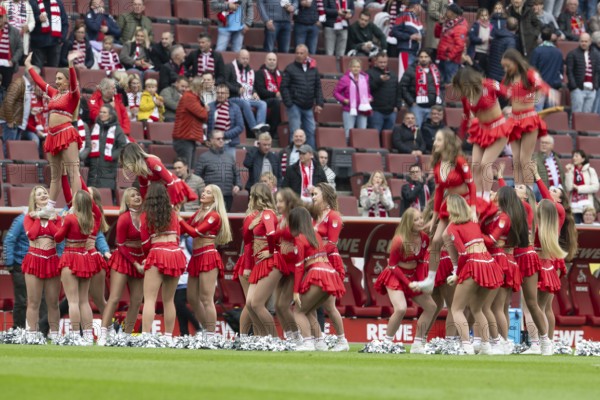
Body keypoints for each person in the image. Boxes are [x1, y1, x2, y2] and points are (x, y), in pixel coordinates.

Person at [409, 128, 477, 294]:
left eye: (438, 140)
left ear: (447, 142)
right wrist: (435, 217)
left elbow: (472, 185)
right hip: (449, 205)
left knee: (448, 235)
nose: (434, 143)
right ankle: (430, 280)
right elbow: (439, 192)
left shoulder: (460, 161)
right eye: (435, 140)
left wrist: (473, 209)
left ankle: (456, 269)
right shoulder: (438, 164)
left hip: (464, 205)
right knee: (436, 241)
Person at [443, 194, 504, 355]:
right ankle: (486, 346)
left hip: (473, 265)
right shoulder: (474, 222)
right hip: (489, 265)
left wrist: (457, 274)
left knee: (457, 309)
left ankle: (466, 345)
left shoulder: (452, 228)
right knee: (478, 309)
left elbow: (463, 254)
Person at [25, 51, 83, 217]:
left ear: (66, 80)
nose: (56, 82)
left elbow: (74, 82)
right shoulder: (54, 94)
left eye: (59, 79)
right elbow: (41, 82)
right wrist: (29, 66)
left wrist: (71, 65)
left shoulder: (73, 95)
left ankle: (76, 206)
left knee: (73, 170)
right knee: (55, 174)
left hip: (66, 132)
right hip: (52, 135)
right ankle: (50, 206)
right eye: (56, 79)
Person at [373, 208, 436, 352]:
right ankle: (387, 342)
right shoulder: (399, 240)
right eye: (416, 219)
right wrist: (408, 284)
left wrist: (420, 282)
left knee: (431, 307)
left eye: (421, 218)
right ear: (408, 222)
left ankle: (418, 343)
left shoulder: (425, 238)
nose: (420, 221)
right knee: (401, 308)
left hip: (413, 276)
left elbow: (420, 261)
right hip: (396, 276)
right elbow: (393, 265)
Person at [481, 185, 530, 354]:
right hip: (509, 260)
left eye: (497, 194)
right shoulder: (514, 214)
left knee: (494, 307)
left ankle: (502, 341)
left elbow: (493, 240)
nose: (493, 194)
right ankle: (503, 341)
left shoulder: (504, 217)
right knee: (501, 307)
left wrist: (472, 235)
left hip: (500, 260)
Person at [179, 184, 232, 337]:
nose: (203, 194)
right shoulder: (199, 212)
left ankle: (211, 334)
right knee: (191, 297)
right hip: (196, 256)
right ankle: (205, 329)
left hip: (207, 255)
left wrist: (179, 219)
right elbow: (184, 229)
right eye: (204, 191)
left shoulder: (214, 215)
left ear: (214, 198)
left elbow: (195, 233)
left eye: (208, 193)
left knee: (206, 299)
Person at [291, 206, 345, 351]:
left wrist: (296, 291)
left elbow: (299, 267)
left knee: (298, 310)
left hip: (318, 273)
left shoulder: (299, 239)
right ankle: (321, 342)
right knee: (309, 310)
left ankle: (308, 342)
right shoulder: (316, 235)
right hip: (331, 274)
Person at [454, 67, 512, 200]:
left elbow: (508, 92)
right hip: (481, 130)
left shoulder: (489, 84)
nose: (462, 91)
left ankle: (486, 197)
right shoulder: (466, 96)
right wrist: (459, 137)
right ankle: (477, 197)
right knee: (475, 166)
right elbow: (466, 117)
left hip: (498, 129)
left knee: (486, 164)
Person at [501, 48, 555, 188]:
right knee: (517, 160)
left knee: (525, 159)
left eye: (508, 65)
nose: (506, 69)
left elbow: (541, 85)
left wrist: (550, 92)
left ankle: (529, 193)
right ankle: (519, 192)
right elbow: (499, 91)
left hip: (528, 119)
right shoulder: (508, 78)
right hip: (514, 120)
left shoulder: (529, 73)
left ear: (515, 62)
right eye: (504, 66)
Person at [97, 187, 145, 345]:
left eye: (138, 194)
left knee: (137, 300)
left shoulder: (146, 217)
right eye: (132, 195)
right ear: (126, 200)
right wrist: (135, 263)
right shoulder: (124, 218)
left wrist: (145, 260)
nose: (137, 197)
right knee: (115, 298)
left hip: (139, 259)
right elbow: (121, 245)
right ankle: (103, 334)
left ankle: (126, 335)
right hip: (124, 259)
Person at [140, 183, 186, 340]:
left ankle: (146, 335)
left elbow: (145, 243)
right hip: (175, 253)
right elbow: (178, 236)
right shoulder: (173, 213)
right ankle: (168, 336)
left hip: (157, 252)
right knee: (169, 300)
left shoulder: (146, 215)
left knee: (150, 299)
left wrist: (149, 254)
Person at [53, 189, 98, 344]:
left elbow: (58, 238)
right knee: (84, 301)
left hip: (71, 256)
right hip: (84, 257)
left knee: (72, 300)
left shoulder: (71, 218)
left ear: (77, 203)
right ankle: (88, 335)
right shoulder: (91, 218)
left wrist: (62, 219)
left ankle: (74, 335)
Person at [240, 183, 283, 337]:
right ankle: (261, 338)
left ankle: (273, 338)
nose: (251, 198)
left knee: (257, 304)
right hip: (259, 262)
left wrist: (271, 252)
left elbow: (271, 234)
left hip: (268, 262)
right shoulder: (259, 215)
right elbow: (248, 241)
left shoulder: (267, 213)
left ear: (258, 197)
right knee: (250, 304)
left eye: (252, 195)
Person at [119, 142, 198, 206]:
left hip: (174, 189)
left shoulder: (152, 163)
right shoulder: (141, 168)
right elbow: (143, 187)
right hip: (162, 190)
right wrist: (144, 205)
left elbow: (171, 183)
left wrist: (171, 204)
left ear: (133, 158)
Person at [273, 188, 303, 340]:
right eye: (276, 201)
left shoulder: (294, 218)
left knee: (284, 305)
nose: (277, 204)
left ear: (288, 202)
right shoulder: (281, 219)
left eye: (280, 201)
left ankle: (297, 337)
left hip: (294, 266)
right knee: (277, 306)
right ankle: (289, 336)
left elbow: (301, 240)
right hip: (282, 265)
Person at [280, 44, 324, 149]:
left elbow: (318, 87)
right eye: (297, 53)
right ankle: (293, 157)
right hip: (294, 105)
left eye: (301, 53)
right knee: (296, 133)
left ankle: (310, 157)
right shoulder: (290, 68)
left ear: (307, 54)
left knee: (310, 131)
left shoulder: (314, 69)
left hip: (308, 106)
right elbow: (283, 87)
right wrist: (289, 104)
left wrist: (319, 103)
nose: (299, 55)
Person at [81, 104, 127, 191]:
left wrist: (112, 156)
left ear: (111, 115)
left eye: (104, 112)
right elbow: (89, 144)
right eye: (100, 112)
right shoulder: (95, 127)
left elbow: (123, 147)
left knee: (105, 197)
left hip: (108, 169)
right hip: (93, 170)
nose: (101, 114)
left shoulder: (117, 129)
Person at [223, 50, 270, 135]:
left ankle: (260, 125)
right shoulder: (229, 67)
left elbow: (251, 85)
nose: (245, 60)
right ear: (238, 58)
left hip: (247, 97)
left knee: (263, 103)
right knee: (245, 103)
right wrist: (237, 89)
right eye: (243, 58)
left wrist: (254, 92)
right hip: (233, 97)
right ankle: (254, 128)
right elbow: (225, 82)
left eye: (247, 59)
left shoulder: (250, 70)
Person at [195, 130, 241, 211]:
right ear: (211, 140)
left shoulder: (230, 157)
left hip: (227, 195)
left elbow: (236, 174)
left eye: (222, 138)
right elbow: (197, 178)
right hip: (211, 196)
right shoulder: (204, 157)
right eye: (218, 139)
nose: (221, 140)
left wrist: (238, 185)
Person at [4, 208, 32, 330]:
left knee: (41, 299)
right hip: (20, 265)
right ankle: (18, 329)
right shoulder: (21, 220)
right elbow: (9, 240)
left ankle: (40, 330)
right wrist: (10, 263)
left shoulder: (45, 219)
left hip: (37, 265)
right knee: (21, 299)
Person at [400, 49, 442, 128]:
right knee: (415, 130)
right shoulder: (411, 69)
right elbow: (403, 86)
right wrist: (411, 102)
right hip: (417, 107)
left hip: (432, 107)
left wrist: (440, 101)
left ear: (430, 58)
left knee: (429, 132)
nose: (423, 59)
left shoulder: (436, 70)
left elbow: (441, 87)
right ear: (418, 58)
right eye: (421, 57)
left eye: (426, 57)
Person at [171, 76, 208, 170]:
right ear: (199, 87)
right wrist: (206, 109)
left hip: (188, 137)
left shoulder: (194, 98)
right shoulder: (189, 97)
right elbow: (202, 114)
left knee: (189, 168)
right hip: (184, 138)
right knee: (185, 169)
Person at [333, 58, 373, 140]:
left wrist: (370, 98)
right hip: (349, 110)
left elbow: (368, 92)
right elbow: (336, 93)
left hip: (362, 110)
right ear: (350, 68)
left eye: (358, 67)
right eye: (354, 67)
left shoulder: (364, 78)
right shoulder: (345, 79)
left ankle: (360, 150)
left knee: (362, 133)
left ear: (360, 68)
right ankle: (348, 150)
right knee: (348, 133)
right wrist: (344, 100)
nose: (356, 69)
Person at [530, 25, 564, 112]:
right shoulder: (558, 52)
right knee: (551, 116)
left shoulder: (537, 51)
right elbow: (560, 71)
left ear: (541, 37)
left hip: (539, 89)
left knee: (537, 114)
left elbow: (532, 70)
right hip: (553, 88)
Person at [206, 84, 244, 161]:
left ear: (228, 95)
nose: (220, 95)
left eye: (222, 93)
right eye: (218, 93)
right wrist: (207, 139)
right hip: (214, 143)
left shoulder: (235, 107)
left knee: (229, 168)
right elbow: (204, 124)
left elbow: (240, 126)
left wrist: (224, 135)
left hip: (229, 143)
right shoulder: (210, 106)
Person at [367, 52, 401, 134]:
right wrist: (380, 80)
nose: (383, 64)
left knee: (388, 136)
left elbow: (398, 91)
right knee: (375, 134)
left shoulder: (393, 74)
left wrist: (398, 106)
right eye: (380, 62)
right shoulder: (369, 73)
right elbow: (368, 89)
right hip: (376, 110)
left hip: (391, 111)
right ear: (375, 61)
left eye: (385, 62)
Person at [567, 33, 600, 113]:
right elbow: (569, 71)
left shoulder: (596, 55)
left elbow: (597, 71)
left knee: (587, 115)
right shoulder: (572, 54)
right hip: (578, 89)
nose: (584, 43)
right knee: (576, 113)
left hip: (591, 89)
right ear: (579, 41)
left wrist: (595, 86)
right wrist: (574, 86)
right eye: (582, 41)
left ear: (590, 42)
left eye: (586, 41)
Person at [435, 3, 468, 84]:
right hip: (442, 57)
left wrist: (450, 57)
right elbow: (437, 35)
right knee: (440, 83)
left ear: (453, 13)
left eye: (448, 10)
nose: (446, 12)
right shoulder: (447, 23)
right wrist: (439, 24)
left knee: (450, 84)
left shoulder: (460, 26)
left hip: (451, 61)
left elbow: (459, 46)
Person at [28, 0, 67, 68]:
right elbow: (27, 20)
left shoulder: (58, 3)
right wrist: (38, 19)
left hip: (55, 42)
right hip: (38, 42)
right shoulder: (33, 2)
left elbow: (64, 22)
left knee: (53, 71)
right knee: (36, 70)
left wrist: (61, 38)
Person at [565, 150, 600, 223]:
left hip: (587, 206)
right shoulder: (571, 171)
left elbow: (595, 187)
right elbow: (568, 187)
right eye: (573, 156)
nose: (574, 158)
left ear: (583, 159)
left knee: (588, 229)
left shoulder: (590, 170)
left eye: (576, 156)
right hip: (574, 207)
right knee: (576, 229)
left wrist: (578, 188)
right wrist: (568, 173)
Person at [254, 52, 283, 137]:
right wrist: (275, 94)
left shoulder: (281, 74)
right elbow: (260, 90)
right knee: (276, 102)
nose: (272, 62)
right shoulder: (259, 73)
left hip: (279, 99)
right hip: (264, 100)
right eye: (270, 59)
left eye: (274, 60)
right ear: (265, 61)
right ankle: (272, 132)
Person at [390, 0, 424, 64]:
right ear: (416, 6)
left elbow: (421, 32)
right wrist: (409, 36)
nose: (421, 9)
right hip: (406, 51)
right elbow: (394, 31)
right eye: (420, 6)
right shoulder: (402, 16)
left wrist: (421, 35)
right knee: (406, 72)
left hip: (415, 52)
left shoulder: (416, 18)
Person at [487, 16, 518, 83]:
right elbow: (510, 59)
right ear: (516, 28)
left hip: (491, 72)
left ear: (505, 25)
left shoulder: (496, 36)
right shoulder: (511, 41)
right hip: (501, 75)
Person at [0, 5, 23, 90]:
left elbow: (20, 48)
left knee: (6, 88)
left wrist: (13, 60)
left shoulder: (14, 31)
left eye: (1, 17)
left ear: (5, 18)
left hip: (8, 64)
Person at [467, 8, 492, 74]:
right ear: (478, 16)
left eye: (486, 15)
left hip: (486, 53)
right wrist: (481, 40)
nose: (484, 17)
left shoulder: (490, 26)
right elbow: (472, 37)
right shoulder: (476, 25)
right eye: (482, 15)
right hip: (477, 52)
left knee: (484, 71)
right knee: (476, 71)